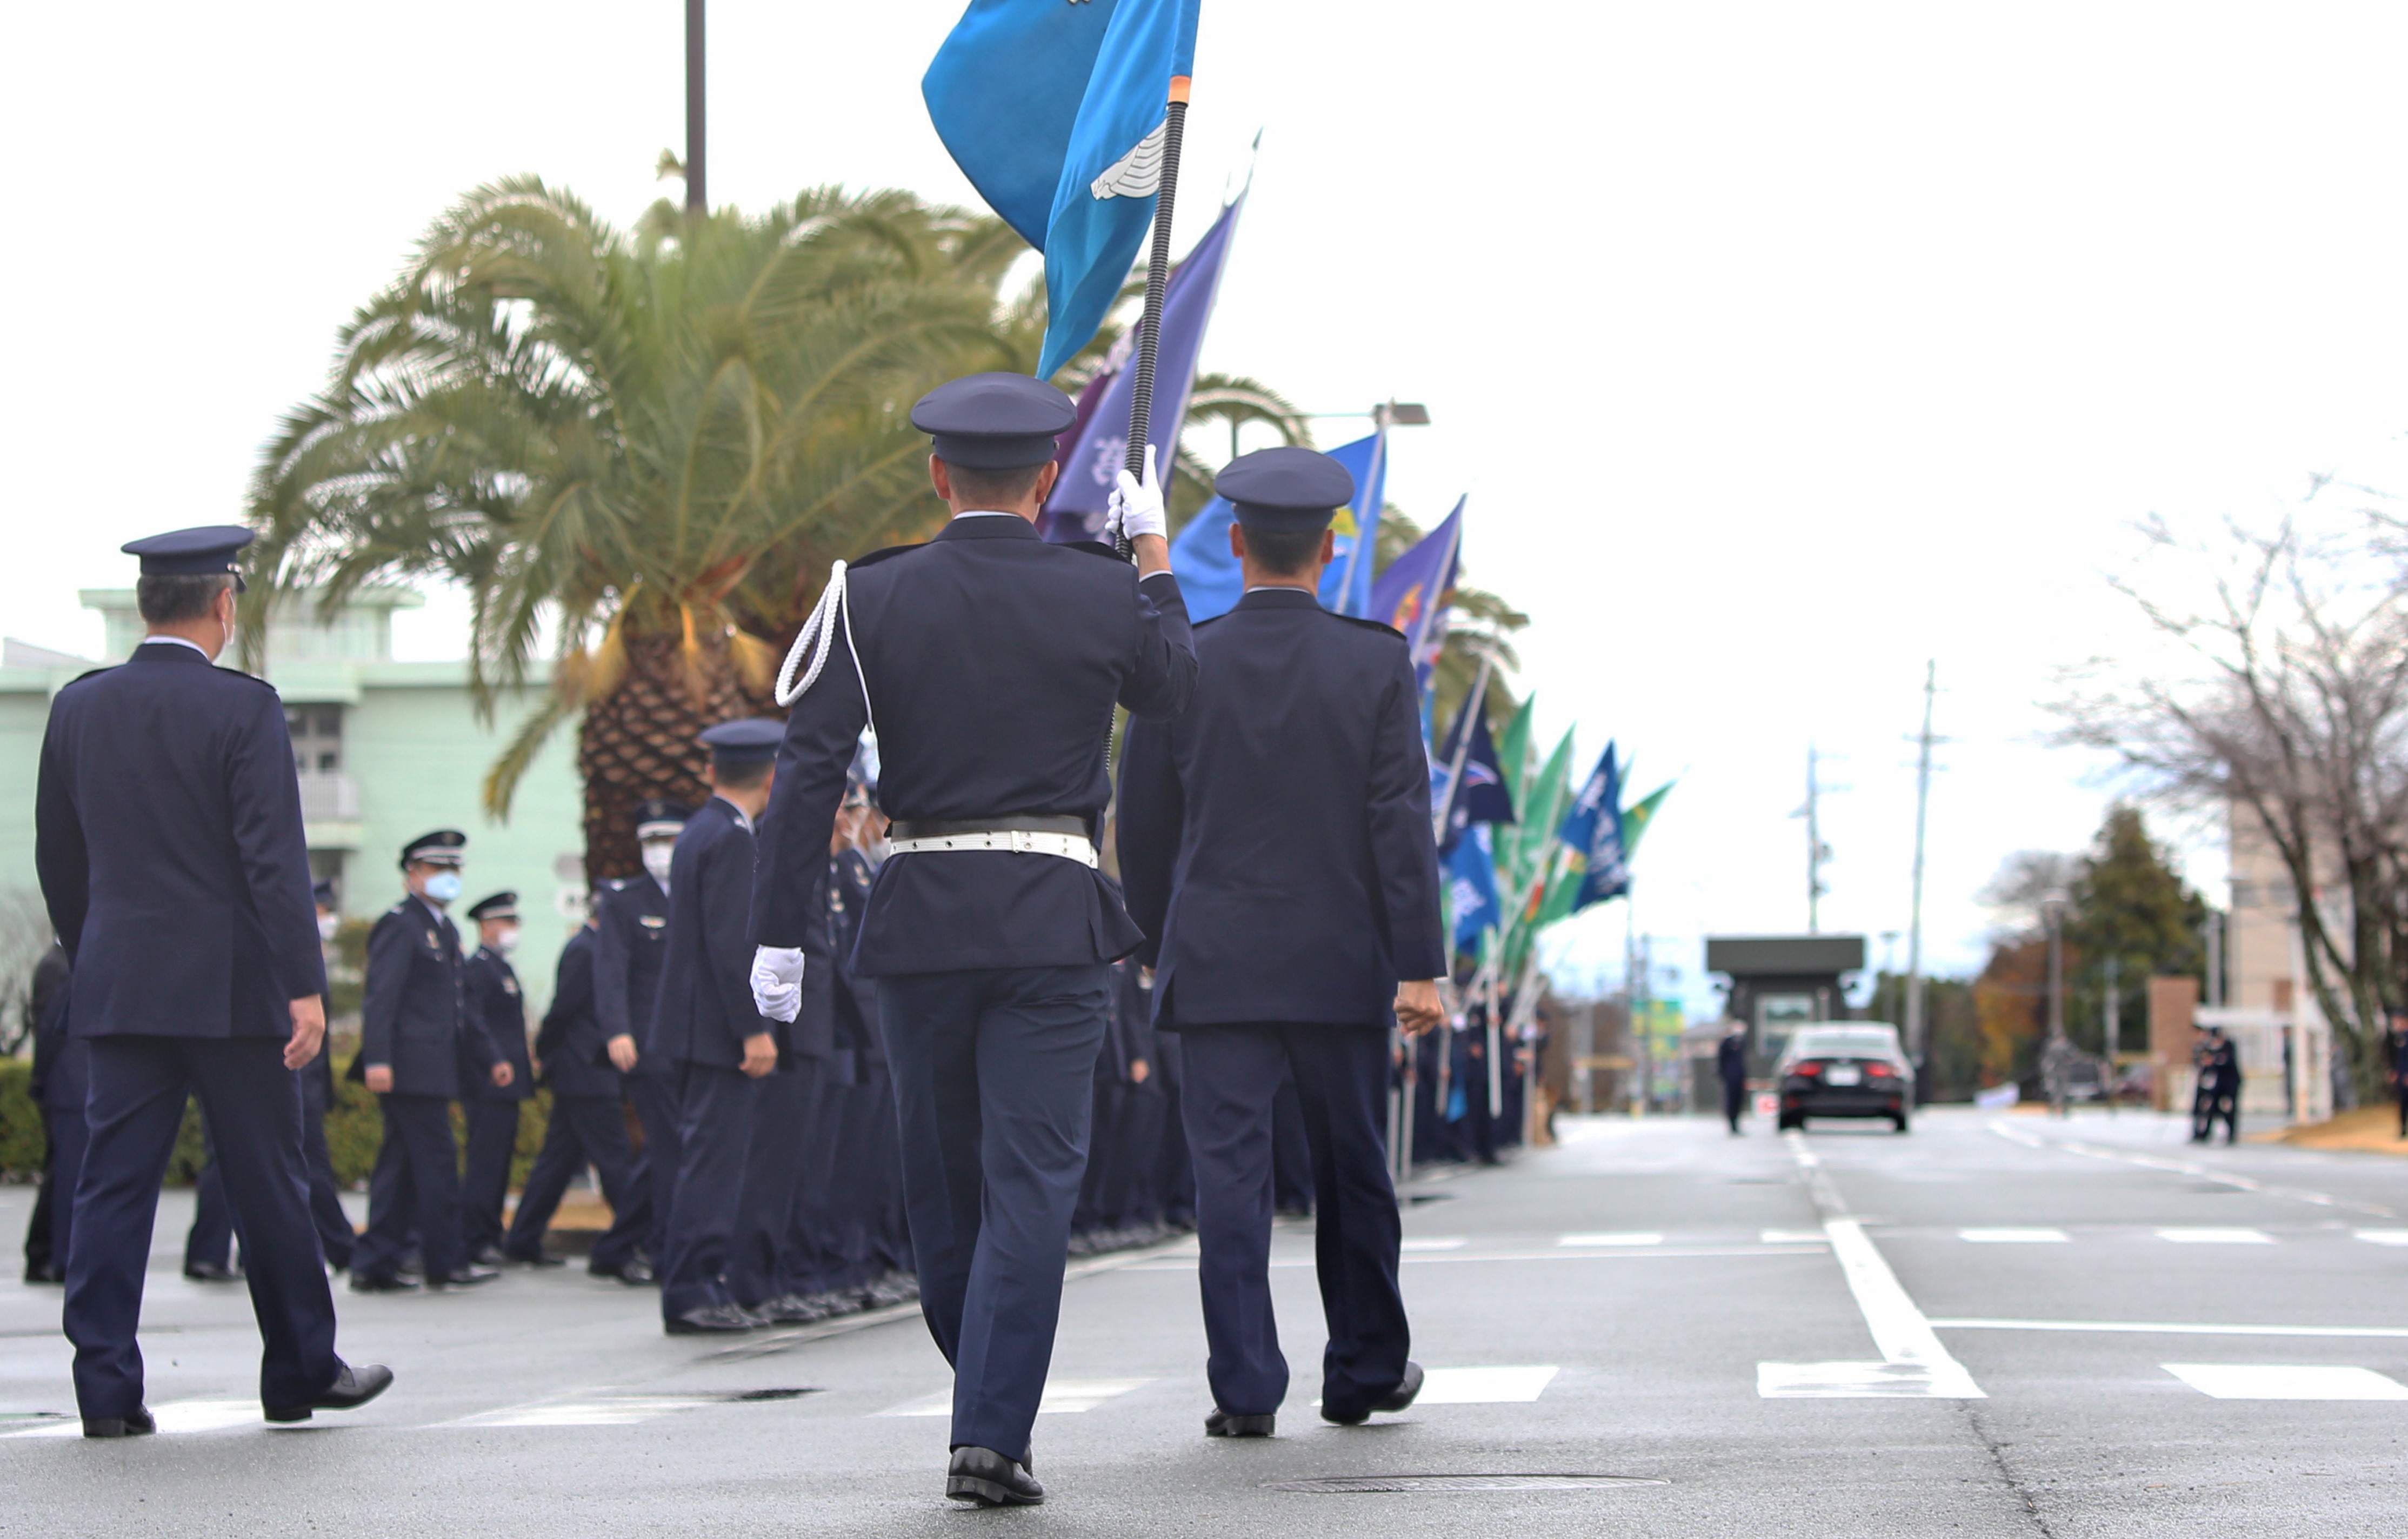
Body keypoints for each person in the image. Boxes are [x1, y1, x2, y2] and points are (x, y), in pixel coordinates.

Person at [748, 372, 1195, 1507]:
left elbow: (807, 771)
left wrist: (777, 930)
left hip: (922, 914)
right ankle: (992, 1403)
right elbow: (1177, 693)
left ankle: (987, 1420)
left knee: (942, 1185)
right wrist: (1149, 556)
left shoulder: (874, 593)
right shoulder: (1101, 590)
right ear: (1050, 480)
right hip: (1049, 915)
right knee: (1028, 1184)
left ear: (937, 477)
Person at [1117, 444, 1445, 1441]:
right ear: (1333, 548)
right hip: (1340, 960)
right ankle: (1364, 1368)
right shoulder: (1374, 658)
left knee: (1231, 1182)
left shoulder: (1187, 657)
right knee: (1354, 1172)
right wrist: (1419, 963)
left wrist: (1159, 934)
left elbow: (1145, 819)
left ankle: (1247, 1385)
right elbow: (1398, 817)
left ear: (1236, 541)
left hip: (1215, 959)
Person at [34, 524, 389, 1436]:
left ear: (148, 605)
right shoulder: (247, 709)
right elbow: (273, 860)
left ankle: (106, 1391)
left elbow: (58, 857)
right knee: (269, 1178)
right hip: (232, 993)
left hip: (119, 989)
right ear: (224, 606)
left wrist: (97, 951)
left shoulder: (77, 707)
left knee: (111, 1188)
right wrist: (303, 985)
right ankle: (301, 1369)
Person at [653, 719, 786, 1335]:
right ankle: (694, 1289)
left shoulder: (701, 830)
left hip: (694, 1025)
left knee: (703, 1159)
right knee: (713, 1164)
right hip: (716, 1031)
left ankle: (697, 1283)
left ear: (713, 771)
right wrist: (753, 1029)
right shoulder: (732, 838)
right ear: (770, 776)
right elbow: (732, 945)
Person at [349, 830, 509, 1293]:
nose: (448, 878)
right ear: (412, 874)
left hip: (435, 1066)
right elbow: (381, 997)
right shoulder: (401, 924)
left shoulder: (445, 928)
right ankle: (445, 1260)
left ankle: (376, 1262)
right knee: (437, 1161)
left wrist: (490, 1056)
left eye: (453, 869)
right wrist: (378, 1058)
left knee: (399, 1166)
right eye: (437, 869)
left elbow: (463, 1008)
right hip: (408, 1067)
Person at [505, 906, 651, 1280]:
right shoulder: (585, 949)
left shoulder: (597, 946)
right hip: (585, 1069)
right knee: (616, 1159)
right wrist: (547, 1052)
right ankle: (634, 1242)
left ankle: (522, 1238)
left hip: (587, 1071)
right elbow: (563, 1010)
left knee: (556, 1163)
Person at [596, 799, 686, 1272]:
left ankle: (619, 1246)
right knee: (670, 1149)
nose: (660, 850)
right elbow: (610, 971)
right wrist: (617, 1031)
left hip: (693, 1043)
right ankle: (667, 1248)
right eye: (652, 840)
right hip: (647, 1045)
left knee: (668, 1150)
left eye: (669, 839)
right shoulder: (624, 900)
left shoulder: (697, 892)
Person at [458, 891, 535, 1266]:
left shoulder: (501, 967)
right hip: (489, 1080)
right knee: (485, 1164)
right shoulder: (478, 968)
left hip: (509, 1080)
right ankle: (475, 1237)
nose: (513, 930)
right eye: (507, 923)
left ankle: (490, 1232)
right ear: (487, 926)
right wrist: (495, 1059)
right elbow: (475, 1022)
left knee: (499, 1163)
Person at [22, 944, 78, 1285]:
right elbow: (47, 1029)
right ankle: (54, 1258)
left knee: (61, 1173)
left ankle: (46, 1254)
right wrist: (41, 1079)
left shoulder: (66, 961)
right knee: (66, 1176)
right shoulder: (57, 965)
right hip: (68, 1085)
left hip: (70, 1085)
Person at [2200, 1025, 2240, 1145]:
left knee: (2229, 1110)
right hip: (2216, 1086)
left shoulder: (2228, 1047)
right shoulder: (2211, 1048)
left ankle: (2231, 1134)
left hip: (2229, 1085)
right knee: (2211, 1109)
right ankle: (2206, 1133)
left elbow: (2227, 1063)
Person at [1718, 1020, 1749, 1135]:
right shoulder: (1727, 1043)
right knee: (1731, 1100)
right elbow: (1721, 1059)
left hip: (1740, 1076)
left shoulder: (1742, 1042)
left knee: (1739, 1100)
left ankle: (1737, 1123)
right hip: (1730, 1077)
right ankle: (1732, 1124)